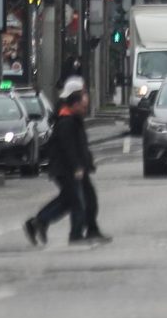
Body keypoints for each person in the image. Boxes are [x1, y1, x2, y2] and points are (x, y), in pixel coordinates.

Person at [24, 78, 109, 246]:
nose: (86, 99)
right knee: (76, 201)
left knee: (77, 199)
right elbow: (69, 148)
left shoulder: (72, 117)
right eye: (83, 95)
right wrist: (77, 166)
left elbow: (80, 145)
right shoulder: (66, 121)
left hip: (74, 168)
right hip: (67, 169)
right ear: (74, 99)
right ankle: (72, 233)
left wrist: (86, 162)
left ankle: (40, 223)